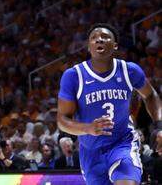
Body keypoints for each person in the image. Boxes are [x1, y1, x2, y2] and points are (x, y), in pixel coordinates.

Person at [56, 23, 162, 184]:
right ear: (89, 46)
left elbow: (150, 95)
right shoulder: (73, 76)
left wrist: (159, 124)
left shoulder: (129, 70)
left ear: (115, 45)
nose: (99, 40)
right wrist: (87, 128)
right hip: (90, 151)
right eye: (94, 38)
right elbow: (62, 120)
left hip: (122, 143)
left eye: (105, 37)